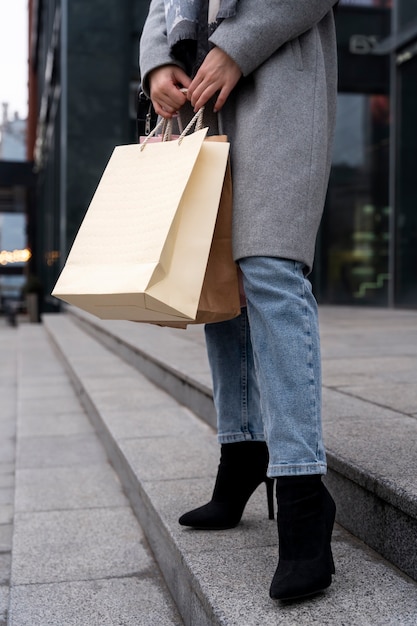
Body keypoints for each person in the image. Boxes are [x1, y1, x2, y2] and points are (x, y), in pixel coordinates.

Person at [140, 0, 338, 601]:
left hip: (278, 78)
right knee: (216, 276)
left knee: (271, 268)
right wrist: (156, 65)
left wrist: (240, 43)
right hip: (201, 90)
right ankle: (241, 450)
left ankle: (304, 496)